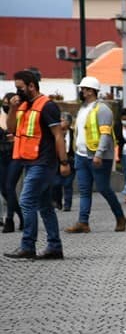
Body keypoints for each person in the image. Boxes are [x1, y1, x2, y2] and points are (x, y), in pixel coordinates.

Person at [3, 70, 69, 259]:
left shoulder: (47, 106)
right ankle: (55, 247)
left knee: (26, 200)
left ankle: (28, 245)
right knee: (44, 205)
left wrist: (64, 162)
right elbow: (11, 129)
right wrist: (14, 109)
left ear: (31, 85)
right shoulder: (22, 105)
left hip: (44, 162)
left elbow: (58, 135)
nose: (17, 92)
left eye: (20, 88)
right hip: (29, 161)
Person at [65, 76, 126, 233]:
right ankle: (83, 222)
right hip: (81, 155)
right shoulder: (83, 109)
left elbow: (105, 134)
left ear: (91, 91)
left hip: (98, 157)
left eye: (83, 89)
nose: (81, 92)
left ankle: (120, 217)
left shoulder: (103, 109)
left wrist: (99, 154)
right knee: (84, 190)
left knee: (104, 188)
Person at [1, 92, 24, 232]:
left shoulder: (19, 116)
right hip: (1, 156)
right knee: (4, 190)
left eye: (7, 102)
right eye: (3, 102)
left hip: (15, 156)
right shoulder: (0, 116)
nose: (5, 105)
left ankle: (9, 220)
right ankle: (22, 216)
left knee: (10, 187)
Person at [51, 111, 76, 211]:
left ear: (68, 122)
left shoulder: (73, 133)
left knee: (68, 184)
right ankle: (57, 202)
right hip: (56, 161)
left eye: (62, 120)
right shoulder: (55, 133)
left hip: (70, 160)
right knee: (56, 183)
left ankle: (67, 205)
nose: (60, 123)